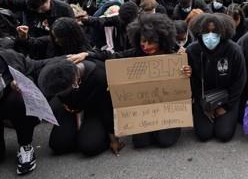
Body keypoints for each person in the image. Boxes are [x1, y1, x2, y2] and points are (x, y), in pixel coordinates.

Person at [67, 14, 192, 149]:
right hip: (144, 107)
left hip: (168, 109)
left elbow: (187, 83)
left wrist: (187, 71)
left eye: (151, 42)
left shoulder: (176, 56)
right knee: (140, 142)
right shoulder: (136, 53)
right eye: (143, 41)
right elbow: (112, 56)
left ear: (162, 40)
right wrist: (88, 54)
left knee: (165, 141)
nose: (145, 45)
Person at [38, 58, 121, 158]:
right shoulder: (55, 70)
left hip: (96, 110)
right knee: (58, 145)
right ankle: (79, 132)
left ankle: (92, 133)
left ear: (75, 82)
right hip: (70, 108)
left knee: (89, 147)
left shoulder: (99, 75)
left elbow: (106, 108)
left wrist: (114, 139)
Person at [186, 13, 246, 142]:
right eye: (206, 31)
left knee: (223, 134)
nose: (210, 36)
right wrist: (203, 105)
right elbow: (193, 81)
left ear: (223, 32)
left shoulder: (234, 50)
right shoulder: (192, 50)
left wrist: (226, 107)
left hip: (227, 97)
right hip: (203, 97)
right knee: (203, 134)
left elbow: (239, 81)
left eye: (215, 31)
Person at [0, 49, 53, 175]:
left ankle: (25, 146)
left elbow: (35, 65)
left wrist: (13, 83)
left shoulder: (7, 55)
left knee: (21, 95)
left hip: (8, 101)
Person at [0, 0, 75, 37]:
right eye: (35, 10)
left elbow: (73, 31)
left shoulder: (64, 9)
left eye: (43, 8)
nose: (39, 12)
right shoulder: (28, 2)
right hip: (34, 39)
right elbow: (8, 2)